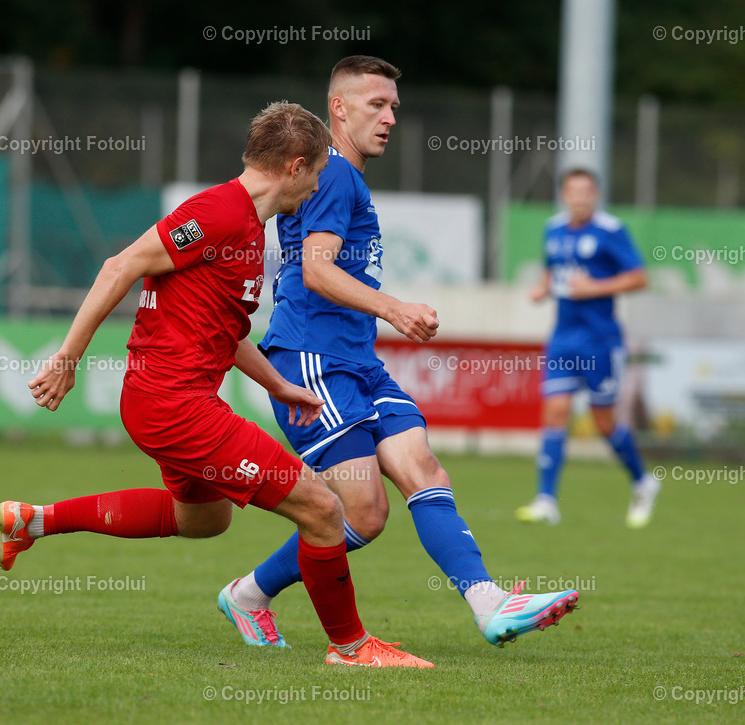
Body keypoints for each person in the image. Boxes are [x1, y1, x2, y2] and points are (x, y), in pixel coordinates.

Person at [0, 101, 432, 667]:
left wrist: (279, 384)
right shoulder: (220, 212)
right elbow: (118, 266)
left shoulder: (248, 227)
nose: (321, 184)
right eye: (319, 172)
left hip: (164, 403)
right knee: (323, 508)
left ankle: (31, 521)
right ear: (296, 168)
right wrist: (67, 359)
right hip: (174, 405)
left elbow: (226, 330)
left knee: (203, 519)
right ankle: (351, 647)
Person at [220, 56, 578, 649]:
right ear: (338, 108)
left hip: (358, 361)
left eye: (393, 108)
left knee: (423, 469)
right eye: (375, 105)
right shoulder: (334, 174)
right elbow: (315, 271)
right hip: (313, 361)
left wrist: (381, 314)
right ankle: (250, 594)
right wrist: (394, 307)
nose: (389, 118)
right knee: (363, 512)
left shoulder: (340, 177)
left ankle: (489, 603)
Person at [515, 169, 659, 528]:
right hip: (563, 338)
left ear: (595, 195)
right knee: (555, 412)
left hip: (601, 340)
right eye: (572, 191)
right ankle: (546, 499)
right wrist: (541, 288)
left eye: (586, 191)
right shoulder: (553, 229)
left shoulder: (611, 231)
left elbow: (640, 278)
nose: (579, 198)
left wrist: (594, 288)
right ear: (563, 195)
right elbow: (552, 270)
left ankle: (643, 482)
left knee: (604, 423)